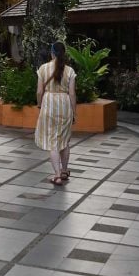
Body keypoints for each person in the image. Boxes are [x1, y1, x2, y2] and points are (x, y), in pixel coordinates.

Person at [35, 41, 77, 185]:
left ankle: (57, 175)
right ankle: (64, 171)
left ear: (52, 53)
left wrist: (39, 104)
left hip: (49, 105)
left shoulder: (43, 69)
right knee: (64, 141)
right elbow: (72, 94)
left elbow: (40, 91)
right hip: (65, 105)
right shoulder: (70, 71)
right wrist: (74, 112)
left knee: (53, 142)